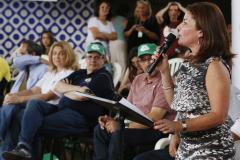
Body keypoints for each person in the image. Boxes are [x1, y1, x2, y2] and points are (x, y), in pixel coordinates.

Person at [134, 2, 235, 160]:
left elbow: (218, 115)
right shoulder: (189, 64)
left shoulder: (214, 66)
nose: (178, 27)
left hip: (210, 150)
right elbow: (175, 103)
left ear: (201, 32)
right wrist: (164, 72)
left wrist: (180, 126)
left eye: (185, 22)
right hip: (186, 148)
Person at [2, 42, 115, 160]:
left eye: (97, 57)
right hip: (62, 111)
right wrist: (77, 89)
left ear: (104, 59)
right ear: (86, 58)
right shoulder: (80, 73)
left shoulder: (103, 76)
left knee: (31, 123)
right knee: (28, 110)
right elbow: (58, 86)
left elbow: (83, 95)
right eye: (90, 56)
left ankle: (24, 149)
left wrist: (69, 90)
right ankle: (23, 147)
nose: (93, 60)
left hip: (81, 118)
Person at [93, 43, 176, 160]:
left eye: (150, 59)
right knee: (100, 130)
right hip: (135, 126)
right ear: (139, 63)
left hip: (155, 129)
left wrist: (121, 126)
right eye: (143, 60)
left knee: (119, 134)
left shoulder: (164, 80)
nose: (147, 63)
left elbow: (154, 118)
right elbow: (127, 108)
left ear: (158, 59)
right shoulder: (138, 79)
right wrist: (113, 121)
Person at [0, 41, 78, 160]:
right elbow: (33, 90)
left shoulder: (71, 74)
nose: (57, 57)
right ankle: (10, 152)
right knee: (12, 107)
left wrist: (20, 99)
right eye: (54, 53)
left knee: (25, 109)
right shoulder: (50, 73)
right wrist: (13, 95)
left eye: (61, 54)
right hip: (35, 107)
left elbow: (47, 96)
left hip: (53, 108)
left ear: (68, 55)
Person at [109, 3, 129, 73]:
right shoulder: (125, 20)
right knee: (122, 61)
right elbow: (125, 31)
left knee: (113, 61)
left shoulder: (112, 19)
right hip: (120, 40)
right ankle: (121, 80)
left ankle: (113, 79)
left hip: (111, 42)